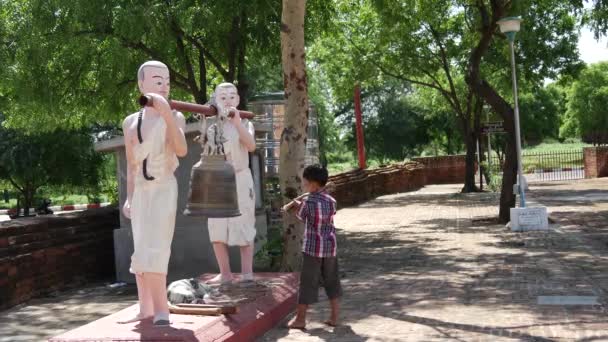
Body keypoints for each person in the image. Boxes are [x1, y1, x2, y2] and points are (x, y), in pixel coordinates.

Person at [119, 60, 187, 326]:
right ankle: (144, 307)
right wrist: (129, 197)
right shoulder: (129, 122)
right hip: (142, 191)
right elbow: (130, 164)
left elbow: (181, 150)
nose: (165, 85)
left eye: (167, 81)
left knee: (157, 247)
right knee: (141, 247)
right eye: (158, 80)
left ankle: (162, 310)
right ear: (142, 84)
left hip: (163, 188)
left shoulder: (176, 116)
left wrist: (168, 115)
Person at [205, 82, 257, 284]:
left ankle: (247, 273)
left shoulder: (245, 123)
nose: (227, 100)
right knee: (216, 227)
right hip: (218, 180)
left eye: (231, 96)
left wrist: (236, 122)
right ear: (216, 100)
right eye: (222, 97)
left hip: (241, 177)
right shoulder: (212, 127)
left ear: (238, 99)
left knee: (244, 224)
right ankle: (225, 273)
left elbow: (251, 146)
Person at [287, 164, 342, 329]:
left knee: (307, 283)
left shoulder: (308, 202)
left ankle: (300, 319)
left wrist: (296, 206)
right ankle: (334, 317)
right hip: (330, 247)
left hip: (312, 248)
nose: (304, 185)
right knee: (332, 281)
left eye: (305, 182)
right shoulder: (332, 201)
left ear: (313, 184)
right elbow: (327, 217)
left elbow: (303, 217)